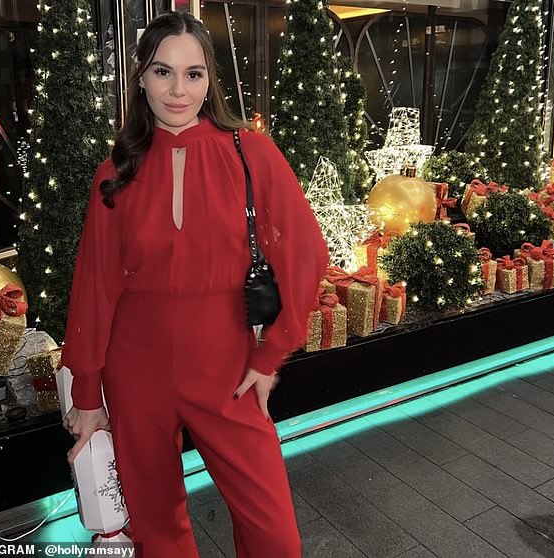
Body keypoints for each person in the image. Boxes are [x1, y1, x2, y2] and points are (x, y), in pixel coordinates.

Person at [61, 10, 328, 558]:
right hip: (134, 368)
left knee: (275, 535)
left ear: (210, 81)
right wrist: (88, 392)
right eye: (163, 72)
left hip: (226, 363)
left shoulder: (251, 153)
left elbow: (306, 254)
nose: (178, 90)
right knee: (156, 531)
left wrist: (270, 354)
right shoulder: (116, 170)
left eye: (193, 74)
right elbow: (94, 284)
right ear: (140, 77)